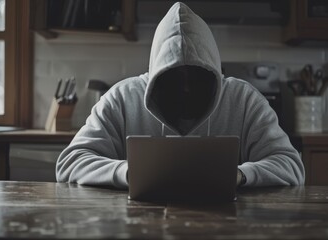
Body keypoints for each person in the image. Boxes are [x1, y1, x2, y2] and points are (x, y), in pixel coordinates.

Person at [56, 2, 305, 188]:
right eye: (173, 79)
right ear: (154, 75)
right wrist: (131, 173)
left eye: (196, 78)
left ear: (215, 74)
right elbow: (70, 163)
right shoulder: (121, 99)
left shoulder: (244, 100)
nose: (186, 89)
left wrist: (239, 175)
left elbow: (291, 166)